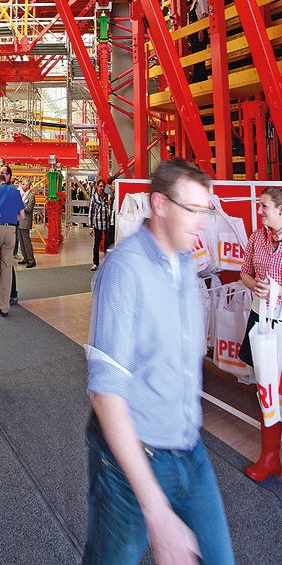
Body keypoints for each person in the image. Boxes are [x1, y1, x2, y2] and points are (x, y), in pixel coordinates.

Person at [83, 158, 234, 565]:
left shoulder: (185, 262)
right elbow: (106, 394)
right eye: (193, 210)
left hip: (189, 448)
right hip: (132, 460)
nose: (203, 222)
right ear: (160, 205)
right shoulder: (125, 270)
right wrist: (157, 512)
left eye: (206, 210)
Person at [239, 186, 282, 481]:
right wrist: (253, 284)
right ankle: (269, 457)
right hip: (262, 318)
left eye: (264, 206)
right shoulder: (257, 238)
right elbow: (244, 271)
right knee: (266, 386)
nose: (259, 211)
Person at [0, 173, 24, 316]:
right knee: (7, 267)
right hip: (11, 230)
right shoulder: (16, 192)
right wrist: (12, 219)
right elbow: (22, 215)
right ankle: (4, 306)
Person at [186, 0, 209, 83]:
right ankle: (197, 78)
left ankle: (201, 79)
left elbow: (204, 15)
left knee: (200, 57)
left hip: (200, 32)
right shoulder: (191, 6)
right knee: (196, 56)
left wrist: (201, 31)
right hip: (193, 34)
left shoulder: (201, 1)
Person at [88, 178, 110, 271]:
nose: (102, 188)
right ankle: (95, 263)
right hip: (97, 225)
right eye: (100, 186)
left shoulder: (108, 197)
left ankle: (106, 263)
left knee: (107, 245)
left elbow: (111, 210)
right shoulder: (94, 198)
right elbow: (91, 212)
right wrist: (90, 227)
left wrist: (109, 204)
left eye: (103, 186)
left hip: (107, 225)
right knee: (96, 245)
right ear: (97, 187)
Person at [17, 178, 37, 270]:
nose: (22, 185)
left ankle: (31, 260)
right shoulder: (22, 195)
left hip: (25, 221)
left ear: (28, 186)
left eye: (24, 184)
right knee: (21, 241)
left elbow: (28, 209)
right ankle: (25, 257)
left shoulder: (31, 196)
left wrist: (20, 207)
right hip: (19, 221)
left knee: (26, 241)